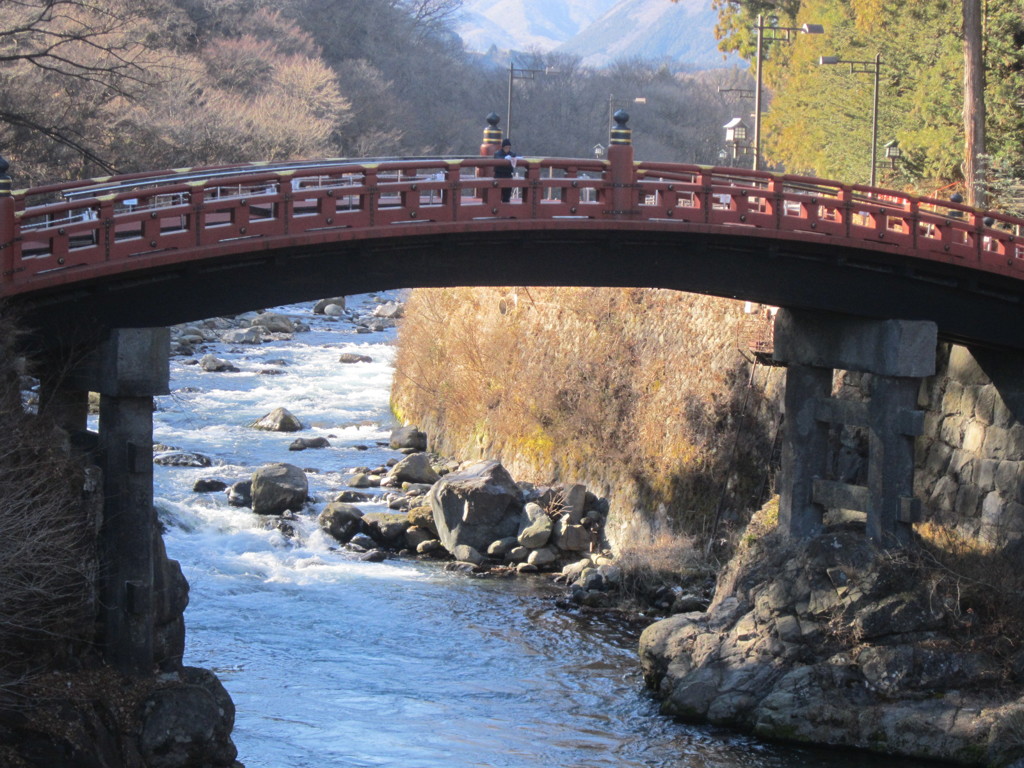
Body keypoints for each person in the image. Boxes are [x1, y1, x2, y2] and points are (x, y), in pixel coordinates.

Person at [494, 138, 517, 203]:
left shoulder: (512, 153)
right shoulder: (497, 154)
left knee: (507, 197)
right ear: (503, 147)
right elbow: (499, 159)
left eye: (509, 147)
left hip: (508, 175)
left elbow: (514, 157)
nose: (508, 149)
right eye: (506, 147)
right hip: (499, 175)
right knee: (497, 196)